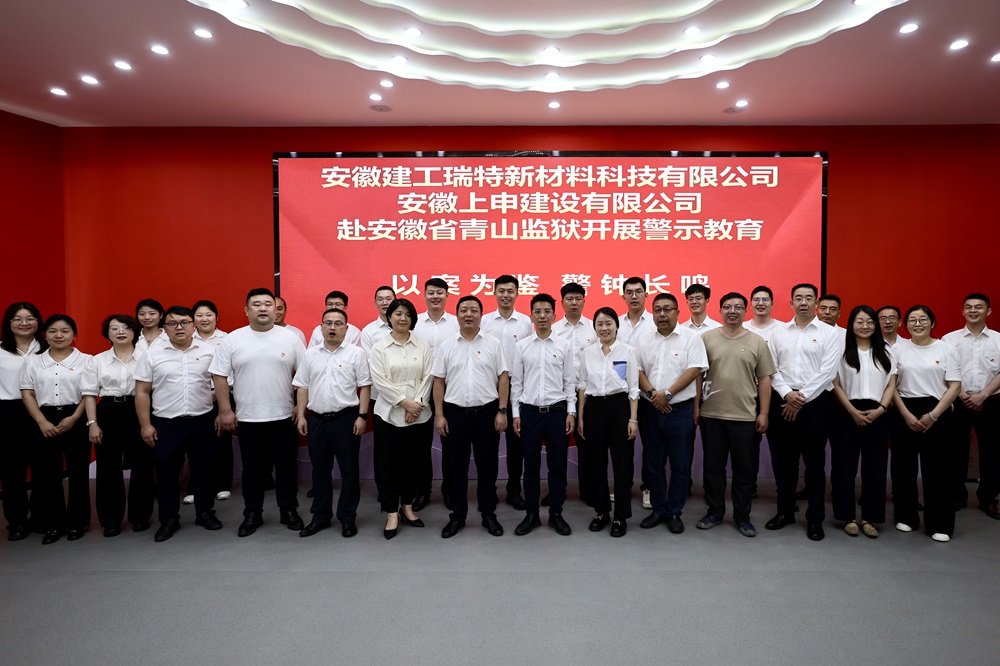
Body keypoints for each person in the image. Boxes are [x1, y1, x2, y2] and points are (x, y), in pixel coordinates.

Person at [212, 288, 305, 537]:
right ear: (246, 310)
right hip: (248, 417)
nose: (262, 308)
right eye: (256, 304)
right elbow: (219, 376)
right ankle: (252, 513)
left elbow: (305, 376)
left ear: (276, 309)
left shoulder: (291, 338)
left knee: (286, 468)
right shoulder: (233, 339)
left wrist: (300, 406)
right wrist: (225, 410)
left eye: (267, 304)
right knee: (252, 471)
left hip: (284, 416)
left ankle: (289, 510)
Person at [135, 305, 222, 542]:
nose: (179, 327)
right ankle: (169, 519)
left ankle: (205, 512)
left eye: (184, 322)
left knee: (204, 470)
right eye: (173, 323)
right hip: (166, 422)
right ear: (165, 327)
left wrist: (218, 406)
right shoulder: (152, 354)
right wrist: (145, 424)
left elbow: (220, 383)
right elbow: (142, 391)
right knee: (166, 473)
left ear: (194, 325)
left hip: (202, 420)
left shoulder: (210, 351)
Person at [767, 283, 842, 541]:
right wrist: (787, 393)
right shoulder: (778, 332)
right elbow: (771, 368)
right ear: (790, 303)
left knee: (815, 464)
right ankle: (785, 512)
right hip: (782, 401)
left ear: (816, 304)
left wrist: (800, 398)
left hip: (816, 403)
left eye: (808, 298)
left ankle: (815, 519)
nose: (803, 302)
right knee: (783, 462)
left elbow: (828, 372)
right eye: (798, 298)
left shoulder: (829, 333)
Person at [696, 293, 775, 537]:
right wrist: (696, 407)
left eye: (738, 307)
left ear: (745, 311)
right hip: (712, 414)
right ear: (720, 310)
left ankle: (742, 516)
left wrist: (764, 413)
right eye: (728, 307)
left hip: (745, 416)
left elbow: (764, 379)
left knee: (744, 470)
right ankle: (715, 512)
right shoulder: (706, 339)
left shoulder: (757, 341)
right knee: (713, 469)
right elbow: (697, 375)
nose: (733, 311)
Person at [432, 295, 508, 538]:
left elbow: (503, 377)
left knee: (488, 467)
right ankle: (457, 516)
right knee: (456, 468)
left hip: (487, 413)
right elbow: (438, 381)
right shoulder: (447, 345)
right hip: (455, 414)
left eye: (474, 310)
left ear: (481, 315)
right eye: (463, 310)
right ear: (456, 315)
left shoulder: (493, 343)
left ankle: (488, 514)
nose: (468, 314)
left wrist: (502, 410)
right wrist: (439, 415)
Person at [294, 307, 371, 538]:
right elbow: (302, 386)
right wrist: (301, 415)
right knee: (320, 471)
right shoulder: (311, 354)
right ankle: (320, 516)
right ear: (320, 327)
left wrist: (362, 416)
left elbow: (365, 386)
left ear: (346, 329)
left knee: (349, 471)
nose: (332, 328)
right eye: (328, 323)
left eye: (338, 324)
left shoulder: (356, 354)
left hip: (346, 420)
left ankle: (347, 517)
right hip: (317, 420)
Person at [19, 315, 95, 544]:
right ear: (45, 334)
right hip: (44, 418)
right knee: (47, 474)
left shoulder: (87, 360)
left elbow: (89, 393)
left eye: (65, 331)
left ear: (74, 335)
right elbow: (27, 393)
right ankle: (53, 524)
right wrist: (41, 421)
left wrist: (74, 418)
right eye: (53, 331)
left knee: (78, 472)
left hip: (76, 416)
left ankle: (77, 523)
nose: (59, 335)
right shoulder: (33, 361)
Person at [635, 293, 707, 534]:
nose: (662, 314)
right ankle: (658, 508)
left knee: (680, 464)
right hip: (650, 409)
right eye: (657, 310)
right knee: (653, 462)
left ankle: (675, 511)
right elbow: (637, 370)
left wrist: (667, 394)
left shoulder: (691, 338)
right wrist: (654, 394)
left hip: (679, 410)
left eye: (667, 309)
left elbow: (694, 370)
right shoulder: (644, 339)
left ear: (677, 312)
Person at [891, 305, 961, 542]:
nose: (917, 324)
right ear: (905, 324)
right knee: (903, 468)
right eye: (912, 320)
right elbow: (891, 386)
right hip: (904, 409)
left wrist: (933, 415)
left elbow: (954, 386)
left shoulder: (946, 348)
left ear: (933, 323)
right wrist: (905, 414)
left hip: (938, 410)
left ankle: (940, 523)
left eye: (923, 319)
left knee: (939, 470)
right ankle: (906, 516)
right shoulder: (897, 349)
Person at [81, 315, 154, 536]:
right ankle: (110, 520)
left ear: (134, 332)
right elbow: (89, 394)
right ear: (108, 333)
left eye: (126, 327)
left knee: (142, 464)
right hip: (108, 411)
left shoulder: (147, 357)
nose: (120, 332)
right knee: (107, 467)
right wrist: (92, 423)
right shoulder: (97, 360)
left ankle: (140, 516)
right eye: (114, 328)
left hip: (138, 409)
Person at [510, 294, 576, 536]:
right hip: (529, 413)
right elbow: (517, 383)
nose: (542, 316)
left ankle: (556, 514)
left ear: (554, 316)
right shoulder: (521, 346)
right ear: (531, 316)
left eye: (547, 311)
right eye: (537, 311)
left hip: (557, 413)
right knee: (531, 467)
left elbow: (569, 381)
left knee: (557, 467)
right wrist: (515, 414)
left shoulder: (564, 346)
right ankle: (532, 514)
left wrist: (571, 411)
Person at [369, 298, 433, 540]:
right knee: (387, 464)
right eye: (398, 313)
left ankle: (407, 506)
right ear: (390, 317)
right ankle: (391, 512)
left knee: (412, 463)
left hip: (419, 413)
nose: (403, 318)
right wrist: (404, 402)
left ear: (413, 319)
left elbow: (428, 377)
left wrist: (415, 405)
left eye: (407, 314)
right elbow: (380, 380)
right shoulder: (380, 348)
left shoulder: (422, 346)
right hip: (388, 413)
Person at [831, 305, 896, 538]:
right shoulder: (841, 351)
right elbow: (835, 384)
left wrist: (881, 409)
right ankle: (847, 516)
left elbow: (891, 384)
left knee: (876, 469)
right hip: (847, 413)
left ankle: (870, 517)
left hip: (877, 413)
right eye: (859, 322)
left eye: (869, 322)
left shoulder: (886, 352)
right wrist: (851, 410)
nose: (865, 326)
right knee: (844, 468)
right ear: (851, 325)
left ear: (875, 325)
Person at [577, 307, 639, 537]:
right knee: (596, 462)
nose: (604, 328)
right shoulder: (588, 352)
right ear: (594, 328)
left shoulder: (627, 351)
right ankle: (601, 511)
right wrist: (581, 416)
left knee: (622, 464)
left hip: (619, 407)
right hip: (593, 408)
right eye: (600, 324)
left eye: (608, 323)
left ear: (616, 326)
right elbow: (582, 385)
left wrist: (633, 419)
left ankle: (620, 516)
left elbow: (633, 388)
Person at [942, 293, 1000, 517]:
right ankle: (957, 494)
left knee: (992, 451)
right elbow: (944, 370)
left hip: (992, 400)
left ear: (988, 311)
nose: (973, 310)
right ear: (963, 311)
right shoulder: (949, 339)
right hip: (958, 399)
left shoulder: (998, 339)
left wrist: (983, 395)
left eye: (978, 307)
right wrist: (962, 394)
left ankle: (988, 498)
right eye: (968, 307)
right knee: (955, 449)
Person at [481, 275, 533, 511]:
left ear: (517, 294)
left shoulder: (525, 322)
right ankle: (488, 491)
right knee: (488, 444)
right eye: (501, 291)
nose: (505, 295)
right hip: (488, 387)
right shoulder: (484, 321)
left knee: (516, 443)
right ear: (494, 293)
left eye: (510, 291)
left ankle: (514, 490)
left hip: (516, 387)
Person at [412, 277, 459, 510]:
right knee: (420, 444)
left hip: (449, 389)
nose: (435, 296)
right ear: (424, 296)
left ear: (447, 296)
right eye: (431, 292)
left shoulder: (456, 323)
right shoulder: (415, 323)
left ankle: (450, 490)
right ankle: (422, 491)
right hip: (419, 389)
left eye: (440, 292)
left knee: (450, 443)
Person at [0, 302, 44, 541]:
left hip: (43, 411)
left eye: (30, 318)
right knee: (12, 471)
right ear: (9, 323)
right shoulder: (1, 350)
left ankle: (41, 516)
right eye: (17, 319)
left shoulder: (48, 348)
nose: (24, 323)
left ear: (38, 322)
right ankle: (16, 521)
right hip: (9, 412)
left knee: (43, 468)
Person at [552, 282, 595, 507]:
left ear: (584, 301)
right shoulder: (554, 330)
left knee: (587, 444)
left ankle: (587, 489)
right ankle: (557, 490)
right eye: (569, 299)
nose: (574, 303)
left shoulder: (594, 328)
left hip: (587, 395)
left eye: (578, 298)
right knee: (558, 445)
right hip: (559, 395)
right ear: (562, 303)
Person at [617, 276, 655, 508]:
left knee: (650, 445)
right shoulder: (616, 323)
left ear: (646, 295)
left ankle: (648, 487)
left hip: (649, 394)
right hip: (623, 394)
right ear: (623, 296)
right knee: (624, 444)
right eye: (629, 292)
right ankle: (623, 486)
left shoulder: (654, 322)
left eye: (638, 291)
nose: (634, 296)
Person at [192, 299, 234, 501]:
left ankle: (222, 484)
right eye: (199, 315)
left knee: (221, 440)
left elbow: (232, 371)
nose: (204, 319)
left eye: (208, 315)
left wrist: (217, 394)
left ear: (217, 317)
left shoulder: (227, 339)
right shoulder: (186, 339)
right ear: (193, 319)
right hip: (194, 397)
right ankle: (196, 487)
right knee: (195, 443)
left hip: (222, 396)